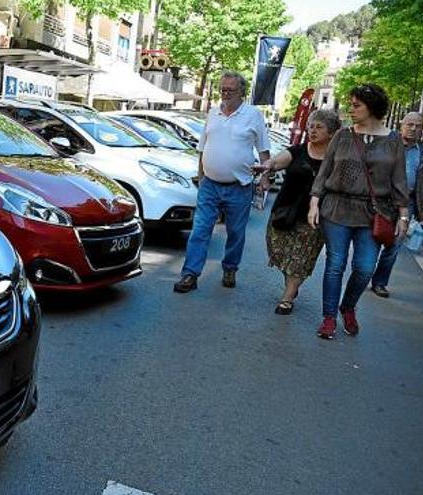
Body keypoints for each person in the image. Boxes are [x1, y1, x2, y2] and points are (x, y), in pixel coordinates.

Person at [308, 84, 409, 339]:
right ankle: (329, 317)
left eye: (356, 105)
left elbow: (399, 179)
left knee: (365, 267)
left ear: (372, 107)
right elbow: (325, 171)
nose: (351, 110)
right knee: (335, 265)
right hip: (337, 208)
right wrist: (314, 203)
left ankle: (348, 306)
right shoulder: (342, 135)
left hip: (373, 212)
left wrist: (404, 215)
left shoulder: (393, 140)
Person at [173, 71, 271, 293]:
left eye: (230, 90)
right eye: (222, 89)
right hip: (210, 186)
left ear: (242, 92)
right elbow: (202, 148)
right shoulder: (213, 112)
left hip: (240, 186)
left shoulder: (253, 115)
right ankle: (190, 274)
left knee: (236, 232)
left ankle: (230, 267)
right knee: (200, 230)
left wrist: (266, 176)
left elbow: (264, 150)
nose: (225, 94)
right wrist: (201, 177)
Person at [257, 110, 342, 314]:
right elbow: (277, 161)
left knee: (301, 258)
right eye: (311, 126)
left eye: (319, 127)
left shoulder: (337, 159)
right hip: (284, 211)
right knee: (280, 252)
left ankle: (287, 297)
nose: (312, 130)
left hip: (314, 218)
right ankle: (291, 286)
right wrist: (267, 167)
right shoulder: (298, 151)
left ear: (331, 133)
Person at [370, 112, 423, 297]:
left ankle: (380, 282)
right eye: (410, 124)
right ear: (401, 125)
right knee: (374, 238)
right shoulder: (386, 144)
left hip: (408, 205)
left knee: (394, 245)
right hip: (383, 202)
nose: (414, 129)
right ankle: (365, 271)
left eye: (419, 126)